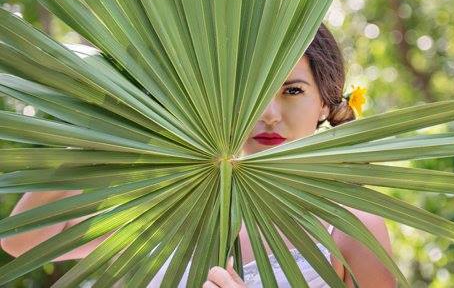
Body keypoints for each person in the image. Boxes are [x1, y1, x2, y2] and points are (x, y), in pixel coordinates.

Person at [1, 24, 395, 287]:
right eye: (253, 92)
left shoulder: (347, 225)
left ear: (326, 104)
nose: (269, 114)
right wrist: (108, 124)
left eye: (292, 91)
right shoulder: (163, 208)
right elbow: (24, 239)